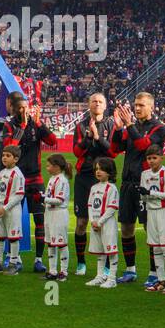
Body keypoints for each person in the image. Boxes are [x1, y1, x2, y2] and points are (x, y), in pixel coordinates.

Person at [0, 88, 56, 271]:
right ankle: (14, 259)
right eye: (21, 108)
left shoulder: (36, 124)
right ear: (16, 108)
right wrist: (20, 129)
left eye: (26, 108)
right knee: (10, 219)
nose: (24, 112)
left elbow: (52, 141)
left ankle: (38, 260)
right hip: (16, 179)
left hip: (35, 179)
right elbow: (8, 148)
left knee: (39, 220)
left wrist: (39, 124)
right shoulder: (10, 125)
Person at [109, 92, 165, 284]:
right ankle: (130, 270)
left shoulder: (158, 128)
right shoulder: (131, 127)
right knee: (126, 227)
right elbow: (114, 149)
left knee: (150, 229)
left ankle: (154, 272)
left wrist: (128, 125)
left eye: (141, 105)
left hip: (146, 186)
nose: (137, 108)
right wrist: (118, 129)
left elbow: (144, 146)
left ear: (151, 106)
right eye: (136, 104)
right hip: (127, 183)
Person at [70, 93, 116, 275]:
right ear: (88, 105)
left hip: (103, 179)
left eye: (100, 102)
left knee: (102, 222)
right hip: (84, 177)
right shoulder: (80, 126)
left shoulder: (111, 125)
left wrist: (97, 137)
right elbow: (76, 151)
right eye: (94, 101)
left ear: (105, 106)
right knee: (81, 222)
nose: (97, 104)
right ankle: (81, 263)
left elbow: (112, 151)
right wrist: (89, 138)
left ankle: (105, 266)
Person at [139, 145, 165, 294]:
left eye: (154, 158)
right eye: (149, 158)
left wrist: (150, 193)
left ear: (161, 158)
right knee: (155, 247)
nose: (151, 161)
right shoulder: (144, 174)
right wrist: (143, 194)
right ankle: (161, 280)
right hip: (151, 212)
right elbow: (143, 196)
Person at [0, 145, 26, 275]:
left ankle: (14, 264)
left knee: (13, 237)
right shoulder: (2, 172)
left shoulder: (18, 174)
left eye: (7, 156)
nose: (4, 158)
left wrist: (5, 208)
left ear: (16, 159)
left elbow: (19, 195)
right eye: (3, 155)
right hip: (1, 209)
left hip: (12, 210)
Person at [85, 156, 120, 289]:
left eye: (102, 169)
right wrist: (92, 221)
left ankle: (112, 278)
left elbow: (112, 208)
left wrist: (100, 222)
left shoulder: (112, 188)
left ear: (109, 172)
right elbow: (89, 205)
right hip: (95, 224)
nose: (98, 172)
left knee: (111, 251)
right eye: (97, 169)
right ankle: (100, 276)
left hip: (107, 224)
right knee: (99, 251)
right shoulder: (94, 188)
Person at [42, 154, 72, 281]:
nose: (47, 168)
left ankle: (63, 272)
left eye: (48, 166)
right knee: (50, 243)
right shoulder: (52, 179)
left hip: (59, 214)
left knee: (61, 243)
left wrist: (45, 198)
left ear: (56, 167)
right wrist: (41, 198)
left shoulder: (62, 180)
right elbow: (49, 197)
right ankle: (53, 271)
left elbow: (59, 200)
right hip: (49, 213)